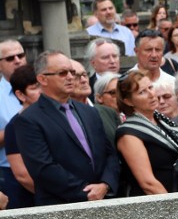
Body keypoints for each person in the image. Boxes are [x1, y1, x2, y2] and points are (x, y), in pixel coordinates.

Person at [16, 51, 119, 205]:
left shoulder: (90, 111)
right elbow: (43, 168)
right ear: (42, 79)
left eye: (71, 72)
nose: (71, 77)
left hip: (103, 199)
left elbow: (109, 154)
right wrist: (87, 192)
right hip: (61, 205)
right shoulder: (29, 119)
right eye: (63, 73)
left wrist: (105, 184)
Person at [115, 70, 178, 196]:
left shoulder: (165, 123)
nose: (151, 95)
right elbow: (148, 183)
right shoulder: (129, 133)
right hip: (157, 206)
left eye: (150, 87)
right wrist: (177, 208)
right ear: (128, 101)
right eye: (142, 92)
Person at [3, 64, 39, 208]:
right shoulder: (14, 126)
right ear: (20, 95)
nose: (42, 92)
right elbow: (22, 176)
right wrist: (53, 194)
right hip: (31, 201)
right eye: (34, 87)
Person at [0, 39, 28, 193]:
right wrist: (17, 126)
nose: (18, 61)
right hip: (9, 174)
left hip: (47, 168)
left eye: (21, 55)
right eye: (10, 58)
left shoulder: (44, 88)